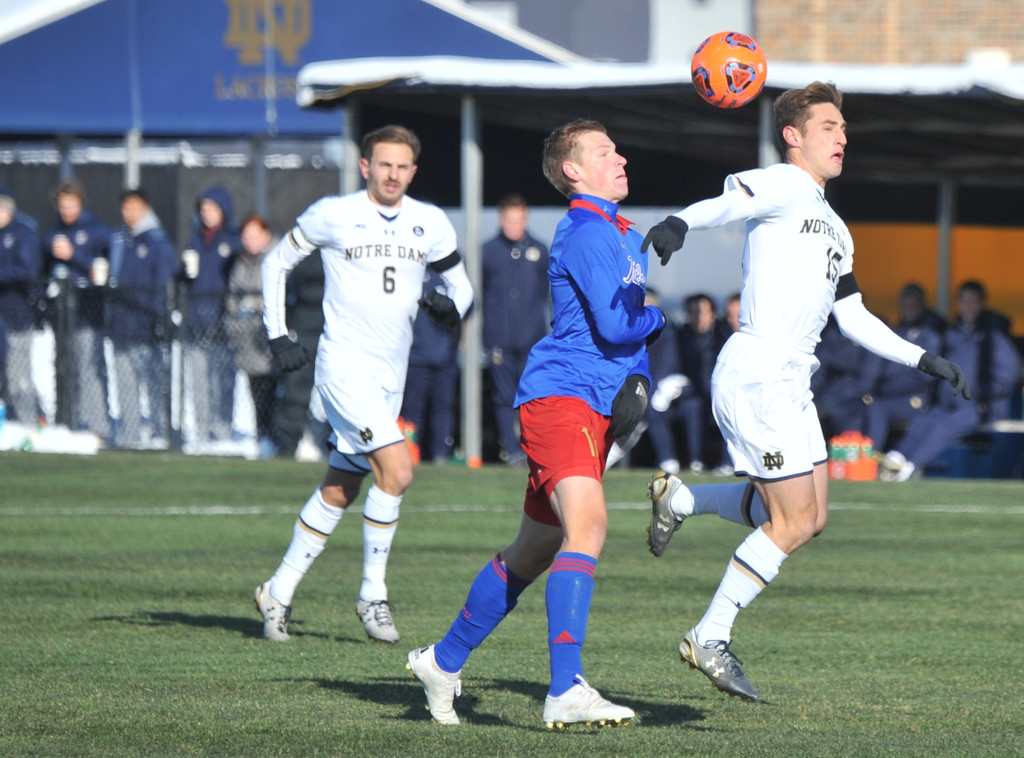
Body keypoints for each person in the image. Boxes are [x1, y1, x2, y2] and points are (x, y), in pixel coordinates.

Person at [640, 81, 970, 701]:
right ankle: (710, 635)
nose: (842, 136)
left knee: (811, 517)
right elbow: (728, 202)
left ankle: (682, 500)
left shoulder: (838, 229)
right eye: (829, 126)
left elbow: (854, 317)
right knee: (789, 521)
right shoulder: (784, 183)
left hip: (794, 377)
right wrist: (680, 221)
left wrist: (923, 358)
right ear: (793, 136)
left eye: (843, 127)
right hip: (759, 369)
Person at [406, 118, 665, 728]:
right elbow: (619, 324)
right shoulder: (587, 231)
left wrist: (639, 379)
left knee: (533, 550)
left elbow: (622, 330)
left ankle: (442, 661)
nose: (621, 158)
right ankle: (565, 688)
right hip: (562, 399)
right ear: (574, 171)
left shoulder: (620, 231)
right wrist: (658, 321)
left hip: (588, 404)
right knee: (589, 526)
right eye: (605, 152)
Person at [253, 124, 473, 645]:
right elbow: (276, 262)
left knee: (341, 486)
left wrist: (453, 308)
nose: (392, 174)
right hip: (343, 367)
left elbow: (460, 285)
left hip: (390, 376)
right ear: (365, 166)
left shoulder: (430, 221)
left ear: (413, 172)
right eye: (384, 164)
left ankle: (276, 592)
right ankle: (373, 594)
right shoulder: (334, 213)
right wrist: (278, 334)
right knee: (398, 469)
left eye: (402, 166)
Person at [879, 280, 1020, 481]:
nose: (968, 306)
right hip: (948, 403)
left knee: (944, 428)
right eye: (964, 301)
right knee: (923, 421)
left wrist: (984, 397)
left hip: (979, 407)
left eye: (972, 301)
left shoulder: (992, 336)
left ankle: (910, 467)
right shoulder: (951, 333)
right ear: (958, 303)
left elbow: (1008, 373)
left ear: (981, 304)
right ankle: (897, 457)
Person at [481, 192, 550, 465]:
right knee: (503, 397)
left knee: (532, 396)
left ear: (526, 219)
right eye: (509, 220)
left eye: (518, 220)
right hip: (499, 339)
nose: (513, 226)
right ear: (501, 220)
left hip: (532, 339)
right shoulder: (487, 251)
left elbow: (545, 292)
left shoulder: (540, 250)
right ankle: (511, 450)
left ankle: (533, 449)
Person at [106, 189, 176, 448]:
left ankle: (161, 433)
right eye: (126, 208)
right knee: (125, 384)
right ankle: (130, 435)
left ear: (147, 208)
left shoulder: (158, 243)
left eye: (135, 207)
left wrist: (156, 319)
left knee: (154, 383)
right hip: (121, 325)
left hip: (147, 328)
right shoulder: (120, 241)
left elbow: (163, 289)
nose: (130, 213)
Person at [43, 178, 111, 441]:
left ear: (81, 203)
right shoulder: (54, 233)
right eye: (62, 206)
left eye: (71, 205)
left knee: (90, 369)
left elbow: (101, 272)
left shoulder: (97, 232)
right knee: (64, 369)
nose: (66, 211)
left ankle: (97, 428)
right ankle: (67, 423)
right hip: (62, 315)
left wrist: (73, 255)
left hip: (88, 314)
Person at [179, 186, 240, 444]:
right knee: (199, 382)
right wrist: (183, 273)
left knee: (222, 381)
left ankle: (222, 430)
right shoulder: (194, 241)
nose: (207, 213)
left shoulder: (233, 242)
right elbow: (184, 280)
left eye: (212, 208)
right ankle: (202, 432)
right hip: (196, 323)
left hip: (222, 324)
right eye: (203, 208)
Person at [856, 283, 945, 451]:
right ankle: (856, 454)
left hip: (916, 399)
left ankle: (870, 458)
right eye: (905, 306)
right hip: (890, 396)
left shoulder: (930, 335)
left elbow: (925, 376)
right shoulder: (896, 332)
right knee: (861, 404)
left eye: (913, 305)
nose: (909, 310)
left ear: (921, 306)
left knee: (878, 409)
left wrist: (887, 385)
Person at [225, 214, 277, 456]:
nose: (250, 241)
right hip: (246, 339)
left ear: (266, 235)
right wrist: (234, 324)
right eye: (246, 236)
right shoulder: (241, 262)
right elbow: (233, 296)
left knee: (274, 390)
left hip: (270, 338)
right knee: (256, 391)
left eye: (255, 235)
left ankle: (277, 436)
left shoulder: (277, 258)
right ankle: (262, 435)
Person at [400, 268, 461, 465]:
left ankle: (440, 454)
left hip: (445, 357)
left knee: (443, 409)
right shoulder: (409, 270)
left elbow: (466, 307)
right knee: (412, 410)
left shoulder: (449, 274)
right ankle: (410, 453)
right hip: (415, 357)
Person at [272, 247, 327, 461]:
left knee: (343, 388)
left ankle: (343, 445)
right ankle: (287, 446)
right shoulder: (304, 248)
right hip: (306, 325)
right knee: (296, 389)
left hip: (338, 325)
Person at [0, 188, 43, 426]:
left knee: (19, 376)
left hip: (17, 315)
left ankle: (31, 423)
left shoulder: (23, 234)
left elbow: (28, 270)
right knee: (6, 376)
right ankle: (11, 423)